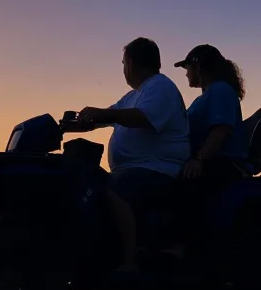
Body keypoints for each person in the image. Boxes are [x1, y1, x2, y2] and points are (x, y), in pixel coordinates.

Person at [67, 37, 190, 268]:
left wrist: (104, 114)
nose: (123, 69)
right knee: (87, 182)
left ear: (131, 63)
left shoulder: (160, 86)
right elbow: (109, 114)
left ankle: (127, 261)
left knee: (110, 188)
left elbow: (142, 117)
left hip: (157, 169)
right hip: (136, 169)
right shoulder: (134, 95)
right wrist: (72, 125)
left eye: (123, 63)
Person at [174, 44, 250, 186]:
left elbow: (220, 131)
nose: (186, 73)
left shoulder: (220, 89)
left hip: (220, 165)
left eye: (187, 68)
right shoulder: (205, 96)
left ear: (198, 67)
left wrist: (199, 159)